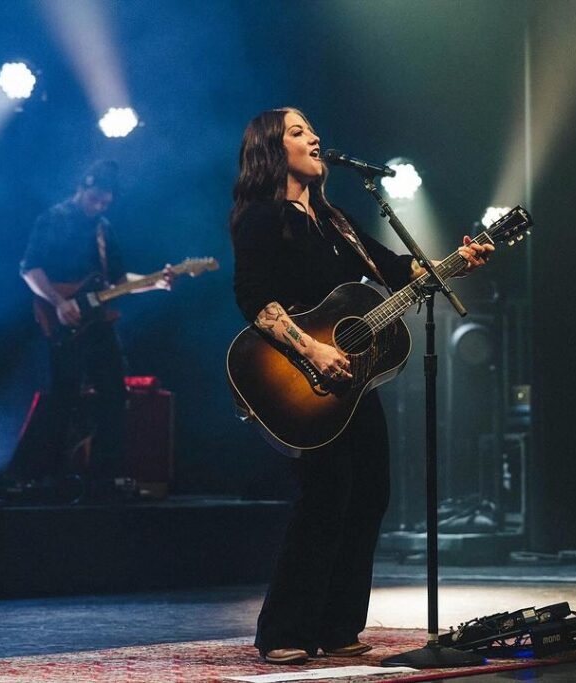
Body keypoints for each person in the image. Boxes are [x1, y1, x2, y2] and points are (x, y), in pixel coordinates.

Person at [230, 107, 492, 664]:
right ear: (272, 150)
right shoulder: (261, 218)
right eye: (298, 132)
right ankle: (283, 629)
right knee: (323, 497)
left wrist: (458, 263)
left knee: (370, 493)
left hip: (353, 383)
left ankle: (337, 625)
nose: (315, 137)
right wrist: (312, 349)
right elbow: (254, 300)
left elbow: (397, 271)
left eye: (312, 129)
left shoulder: (336, 220)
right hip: (298, 376)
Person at [20, 160, 171, 500]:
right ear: (82, 189)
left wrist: (156, 282)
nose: (99, 207)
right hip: (63, 320)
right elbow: (30, 269)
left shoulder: (104, 230)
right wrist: (59, 302)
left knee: (115, 394)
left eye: (105, 202)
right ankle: (50, 478)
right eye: (95, 200)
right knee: (65, 395)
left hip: (98, 323)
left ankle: (105, 478)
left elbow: (118, 282)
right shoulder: (53, 219)